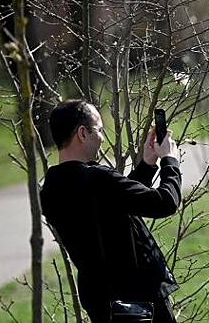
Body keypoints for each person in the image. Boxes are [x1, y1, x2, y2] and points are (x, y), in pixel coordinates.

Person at [40, 100, 181, 323]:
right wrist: (170, 162)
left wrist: (147, 164)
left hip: (101, 303)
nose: (102, 138)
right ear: (82, 133)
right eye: (99, 130)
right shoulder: (96, 178)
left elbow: (115, 207)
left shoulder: (51, 188)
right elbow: (165, 203)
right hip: (137, 300)